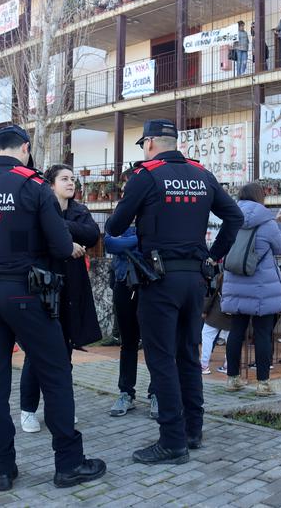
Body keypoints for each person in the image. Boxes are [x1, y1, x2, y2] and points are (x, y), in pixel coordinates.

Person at [0, 125, 106, 491]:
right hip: (24, 291)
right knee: (55, 374)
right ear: (24, 148)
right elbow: (58, 243)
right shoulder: (32, 185)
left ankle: (2, 469)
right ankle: (68, 464)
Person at [105, 118, 243, 464]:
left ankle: (171, 441)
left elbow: (114, 226)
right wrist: (212, 257)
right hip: (194, 280)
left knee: (161, 358)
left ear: (150, 143)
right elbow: (235, 218)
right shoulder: (202, 174)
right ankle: (193, 431)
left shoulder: (145, 176)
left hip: (159, 280)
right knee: (187, 354)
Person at [19, 163, 102, 432]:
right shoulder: (37, 208)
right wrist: (67, 243)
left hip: (72, 288)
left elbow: (92, 234)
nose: (71, 183)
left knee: (65, 350)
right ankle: (27, 409)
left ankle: (60, 408)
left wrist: (60, 228)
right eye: (64, 179)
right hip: (44, 287)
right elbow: (38, 239)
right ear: (50, 184)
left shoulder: (78, 210)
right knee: (37, 352)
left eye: (73, 179)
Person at [220, 183, 281, 396]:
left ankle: (232, 379)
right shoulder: (267, 223)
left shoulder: (231, 219)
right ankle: (263, 384)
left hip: (236, 284)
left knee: (236, 332)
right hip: (261, 289)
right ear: (260, 198)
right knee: (262, 334)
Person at [103, 176, 158, 417]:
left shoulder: (153, 213)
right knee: (128, 342)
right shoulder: (119, 216)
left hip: (149, 285)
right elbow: (109, 243)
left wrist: (127, 242)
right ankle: (126, 393)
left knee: (154, 342)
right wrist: (137, 241)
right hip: (124, 284)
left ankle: (157, 392)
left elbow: (150, 244)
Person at [200, 270, 230, 375]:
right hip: (234, 315)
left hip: (216, 313)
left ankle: (204, 365)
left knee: (207, 337)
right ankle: (228, 365)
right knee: (230, 340)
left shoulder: (223, 277)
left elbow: (214, 297)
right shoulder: (244, 278)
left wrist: (205, 311)